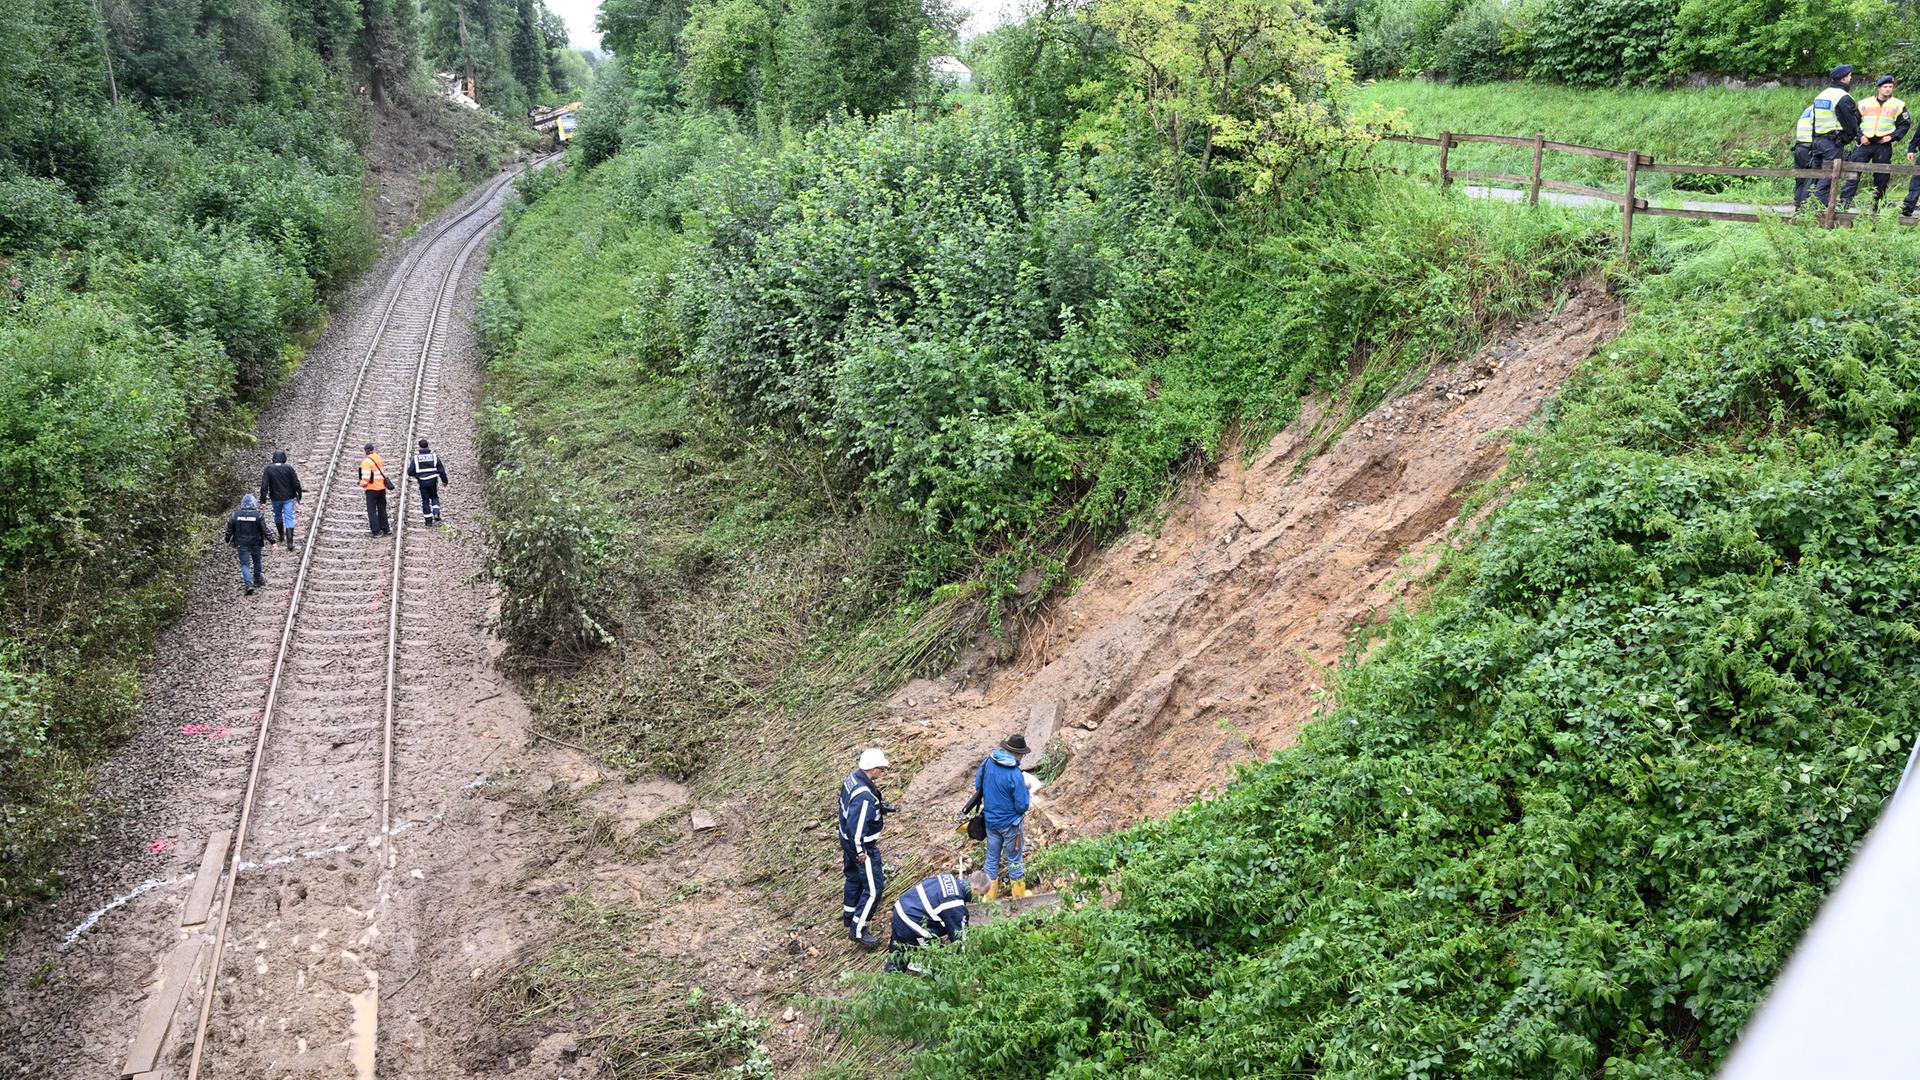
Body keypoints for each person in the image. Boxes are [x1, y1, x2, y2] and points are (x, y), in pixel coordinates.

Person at [839, 748, 894, 950]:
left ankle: (849, 914)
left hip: (846, 841)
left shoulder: (852, 779)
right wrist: (861, 852)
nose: (881, 772)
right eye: (880, 769)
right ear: (873, 769)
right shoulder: (864, 797)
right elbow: (858, 826)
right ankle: (859, 929)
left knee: (853, 878)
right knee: (874, 889)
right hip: (862, 847)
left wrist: (879, 807)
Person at [970, 733, 1032, 901]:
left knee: (991, 859)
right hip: (1011, 825)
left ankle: (988, 898)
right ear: (1018, 754)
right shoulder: (1015, 774)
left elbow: (978, 786)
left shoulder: (988, 762)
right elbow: (1022, 806)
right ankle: (1019, 898)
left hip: (991, 822)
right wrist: (1026, 788)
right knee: (1015, 860)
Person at [1793, 66, 1862, 211]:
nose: (1851, 78)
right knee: (1828, 177)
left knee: (1814, 176)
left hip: (1818, 141)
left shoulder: (1821, 95)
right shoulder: (1843, 97)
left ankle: (1805, 209)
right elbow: (1850, 124)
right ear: (1844, 78)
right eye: (1850, 76)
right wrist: (1847, 138)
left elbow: (1815, 122)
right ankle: (1822, 211)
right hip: (1832, 143)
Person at [883, 872, 972, 974]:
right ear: (975, 889)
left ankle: (886, 983)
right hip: (913, 925)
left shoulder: (947, 878)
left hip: (900, 911)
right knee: (938, 959)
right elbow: (960, 939)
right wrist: (966, 964)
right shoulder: (954, 903)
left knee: (897, 954)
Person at [1841, 76, 1909, 211]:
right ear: (1879, 88)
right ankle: (1844, 204)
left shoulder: (1898, 104)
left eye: (1890, 86)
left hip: (1883, 144)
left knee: (1882, 176)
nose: (1888, 89)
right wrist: (1860, 136)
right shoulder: (1864, 103)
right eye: (1885, 87)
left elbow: (1904, 124)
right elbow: (1853, 122)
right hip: (1864, 143)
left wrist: (1892, 137)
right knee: (1853, 173)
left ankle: (1878, 206)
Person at [225, 494, 271, 595]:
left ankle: (249, 584)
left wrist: (227, 540)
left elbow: (229, 530)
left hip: (241, 544)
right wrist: (272, 541)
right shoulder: (258, 515)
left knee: (245, 564)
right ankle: (258, 579)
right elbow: (265, 530)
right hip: (255, 543)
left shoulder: (235, 515)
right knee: (257, 561)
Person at [258, 450, 303, 550]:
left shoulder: (268, 469)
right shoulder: (289, 468)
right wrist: (299, 494)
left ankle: (281, 535)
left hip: (275, 498)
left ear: (273, 458)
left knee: (277, 515)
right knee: (289, 518)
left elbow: (264, 486)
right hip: (288, 497)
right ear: (284, 458)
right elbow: (296, 483)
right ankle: (290, 543)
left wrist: (263, 501)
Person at [406, 438, 450, 525]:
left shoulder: (416, 458)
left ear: (419, 447)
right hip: (433, 480)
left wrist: (417, 475)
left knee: (425, 500)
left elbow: (410, 472)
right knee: (434, 496)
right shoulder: (434, 456)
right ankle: (436, 512)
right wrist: (445, 481)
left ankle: (428, 521)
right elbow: (441, 470)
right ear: (428, 445)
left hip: (422, 481)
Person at [359, 442, 391, 537]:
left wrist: (361, 484)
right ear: (373, 450)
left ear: (365, 451)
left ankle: (376, 531)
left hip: (371, 489)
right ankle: (385, 529)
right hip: (381, 488)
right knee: (382, 508)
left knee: (372, 510)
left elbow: (366, 477)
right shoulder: (378, 458)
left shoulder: (366, 462)